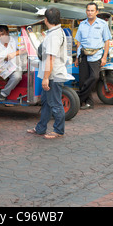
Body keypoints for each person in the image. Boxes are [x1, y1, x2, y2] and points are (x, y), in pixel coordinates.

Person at [27, 8, 73, 139]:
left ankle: (59, 130)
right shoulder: (57, 32)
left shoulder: (54, 35)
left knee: (55, 103)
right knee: (46, 103)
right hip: (52, 73)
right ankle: (41, 128)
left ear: (46, 20)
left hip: (53, 75)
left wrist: (46, 78)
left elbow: (50, 58)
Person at [74, 2, 112, 109]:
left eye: (92, 11)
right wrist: (77, 57)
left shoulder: (102, 24)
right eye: (88, 10)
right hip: (83, 54)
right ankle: (89, 102)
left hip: (96, 55)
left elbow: (107, 41)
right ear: (86, 11)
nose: (90, 13)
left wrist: (104, 57)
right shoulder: (82, 24)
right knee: (82, 80)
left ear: (97, 12)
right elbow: (78, 42)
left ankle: (78, 98)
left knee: (94, 77)